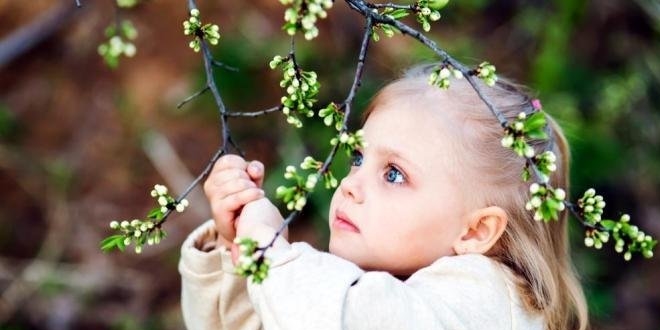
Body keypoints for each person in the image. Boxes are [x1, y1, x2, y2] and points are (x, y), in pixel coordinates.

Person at [178, 64, 588, 330]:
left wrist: (271, 250)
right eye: (358, 157)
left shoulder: (487, 305)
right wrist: (237, 247)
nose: (351, 185)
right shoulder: (397, 282)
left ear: (478, 230)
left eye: (394, 174)